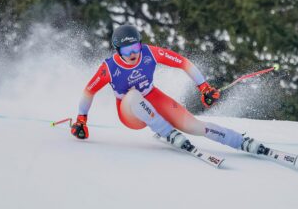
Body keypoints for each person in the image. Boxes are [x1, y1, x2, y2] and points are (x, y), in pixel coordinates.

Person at [71, 25, 268, 155]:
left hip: (152, 98)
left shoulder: (150, 53)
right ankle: (166, 131)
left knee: (194, 126)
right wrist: (81, 120)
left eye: (135, 47)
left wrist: (204, 87)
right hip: (129, 112)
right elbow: (88, 92)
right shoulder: (109, 68)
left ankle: (240, 141)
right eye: (126, 50)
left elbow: (183, 62)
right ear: (117, 50)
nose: (132, 54)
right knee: (132, 95)